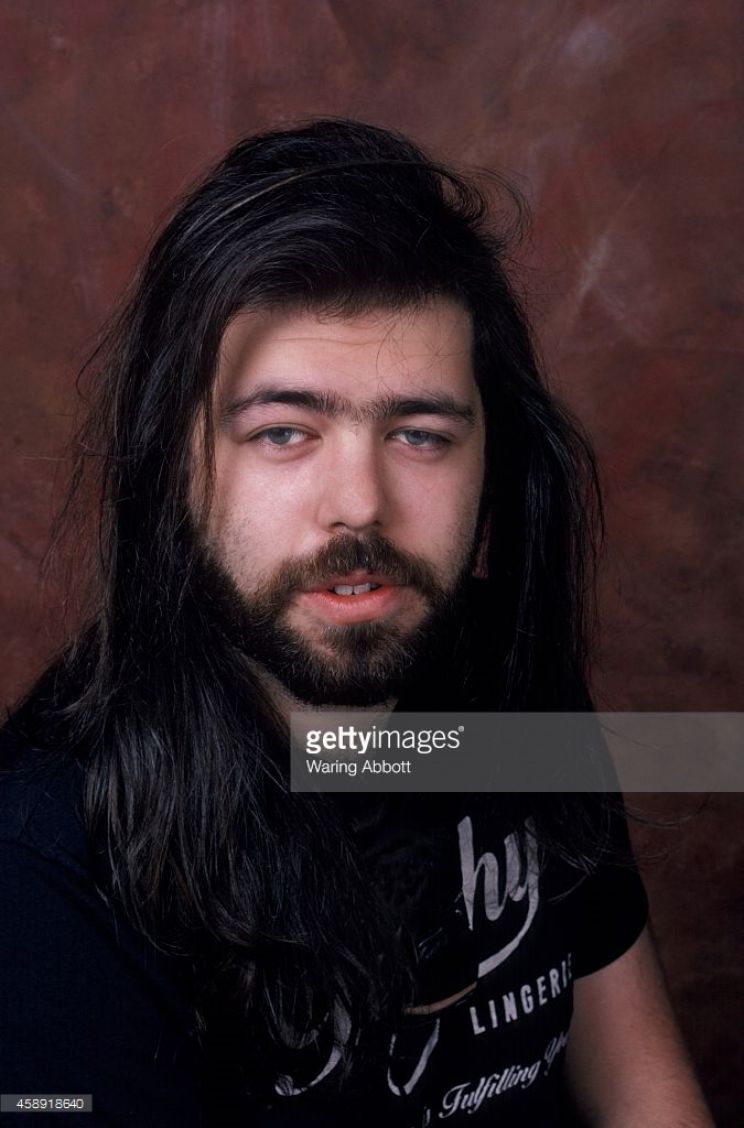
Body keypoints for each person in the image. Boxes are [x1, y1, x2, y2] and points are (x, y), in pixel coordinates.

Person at [0, 119, 713, 1127]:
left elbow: (646, 1091)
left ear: (492, 467)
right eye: (284, 433)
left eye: (419, 436)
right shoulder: (48, 867)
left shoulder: (505, 682)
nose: (360, 507)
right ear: (174, 470)